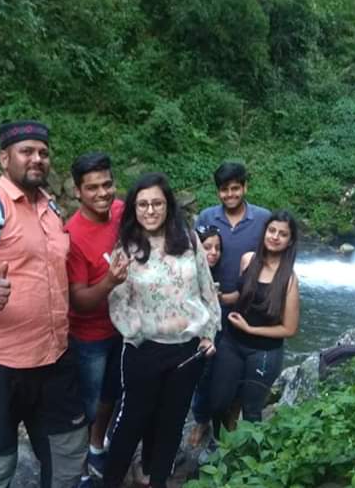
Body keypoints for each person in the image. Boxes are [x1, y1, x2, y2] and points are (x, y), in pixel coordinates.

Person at [0, 120, 87, 488]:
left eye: (43, 152)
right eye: (27, 151)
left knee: (69, 458)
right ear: (5, 158)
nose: (37, 159)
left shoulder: (52, 211)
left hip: (53, 358)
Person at [103, 172, 221, 488]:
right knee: (131, 422)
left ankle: (158, 482)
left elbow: (206, 290)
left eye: (157, 203)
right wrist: (140, 331)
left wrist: (208, 333)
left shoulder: (189, 240)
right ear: (134, 208)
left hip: (187, 351)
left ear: (168, 205)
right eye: (143, 204)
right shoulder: (126, 247)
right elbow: (118, 302)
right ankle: (111, 481)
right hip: (144, 350)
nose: (150, 210)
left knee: (172, 423)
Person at [192, 161, 270, 442]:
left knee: (236, 369)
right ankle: (200, 420)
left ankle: (229, 419)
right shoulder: (206, 217)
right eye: (224, 190)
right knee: (204, 369)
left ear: (245, 187)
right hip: (209, 308)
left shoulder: (262, 219)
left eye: (235, 188)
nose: (230, 195)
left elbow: (274, 256)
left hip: (246, 310)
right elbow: (194, 255)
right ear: (218, 192)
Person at [65, 152, 128, 485]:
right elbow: (79, 300)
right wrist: (110, 281)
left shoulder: (120, 212)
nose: (103, 193)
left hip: (127, 325)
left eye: (107, 185)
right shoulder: (72, 235)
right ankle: (91, 451)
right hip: (90, 334)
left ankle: (103, 443)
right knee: (93, 400)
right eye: (92, 188)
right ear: (77, 191)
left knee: (115, 392)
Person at [209, 210, 300, 435]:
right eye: (271, 231)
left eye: (282, 234)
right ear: (264, 232)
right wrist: (220, 297)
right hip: (232, 341)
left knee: (251, 410)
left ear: (289, 241)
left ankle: (246, 460)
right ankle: (219, 443)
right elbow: (245, 295)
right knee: (218, 401)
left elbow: (289, 328)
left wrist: (251, 328)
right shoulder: (248, 260)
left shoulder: (289, 279)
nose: (275, 237)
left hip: (264, 351)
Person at [188, 224, 223, 447]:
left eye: (217, 248)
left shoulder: (219, 274)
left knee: (205, 380)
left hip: (211, 336)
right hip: (187, 336)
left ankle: (201, 422)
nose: (213, 253)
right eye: (207, 247)